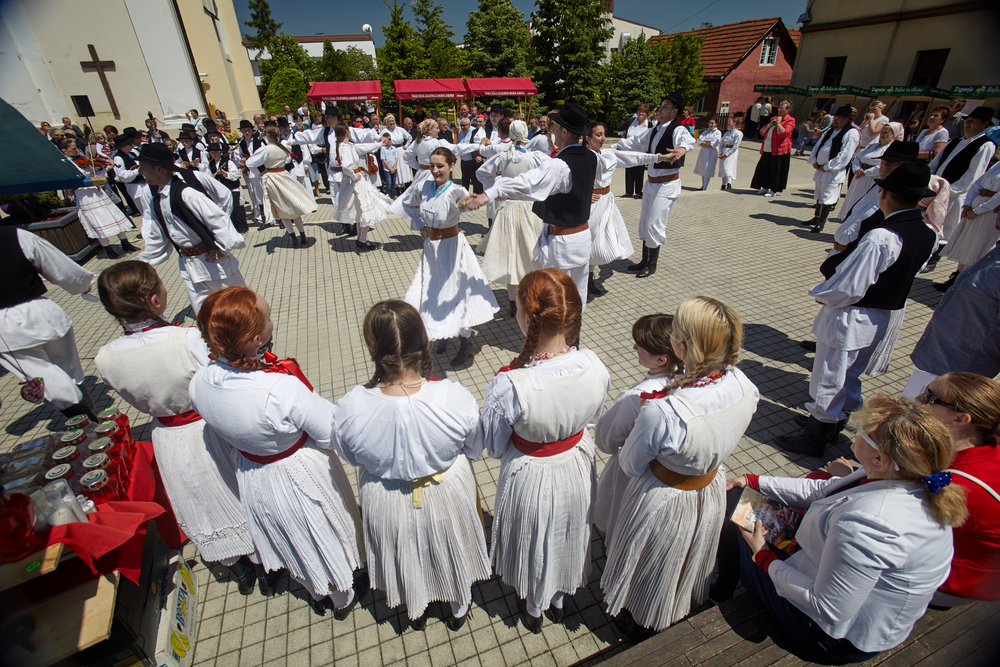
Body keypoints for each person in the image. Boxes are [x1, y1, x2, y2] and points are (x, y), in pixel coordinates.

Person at [719, 394, 966, 662]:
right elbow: (824, 489)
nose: (855, 435)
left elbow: (828, 608)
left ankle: (722, 590)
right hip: (834, 579)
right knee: (741, 495)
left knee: (737, 515)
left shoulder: (869, 525)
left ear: (880, 458)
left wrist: (763, 557)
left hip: (832, 636)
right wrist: (752, 479)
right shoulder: (902, 476)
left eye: (861, 433)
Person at [189, 287, 368, 618]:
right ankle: (343, 596)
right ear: (257, 338)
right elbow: (330, 431)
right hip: (299, 471)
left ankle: (316, 591)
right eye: (268, 318)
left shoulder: (199, 381)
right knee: (323, 529)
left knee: (291, 536)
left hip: (253, 473)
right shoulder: (278, 388)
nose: (273, 321)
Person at [92, 262, 263, 592]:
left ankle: (237, 566)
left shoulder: (104, 357)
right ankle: (264, 560)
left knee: (199, 500)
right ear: (155, 300)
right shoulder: (187, 339)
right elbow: (224, 379)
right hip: (209, 427)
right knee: (238, 489)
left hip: (167, 436)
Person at [600, 296, 758, 636]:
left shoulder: (666, 411)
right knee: (690, 555)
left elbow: (629, 464)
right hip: (710, 486)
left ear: (682, 348)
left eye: (676, 332)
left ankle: (640, 621)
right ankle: (676, 605)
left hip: (666, 498)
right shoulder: (746, 385)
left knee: (652, 561)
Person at [332, 300, 490, 630]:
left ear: (372, 347)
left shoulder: (351, 407)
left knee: (404, 551)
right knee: (449, 545)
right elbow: (475, 447)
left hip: (386, 497)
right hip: (445, 489)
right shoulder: (455, 397)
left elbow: (349, 455)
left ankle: (415, 607)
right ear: (424, 342)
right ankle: (459, 606)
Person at [474, 269, 610, 634]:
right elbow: (593, 419)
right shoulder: (595, 364)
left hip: (530, 468)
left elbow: (494, 444)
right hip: (577, 463)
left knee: (533, 534)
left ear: (524, 316)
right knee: (567, 526)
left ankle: (533, 606)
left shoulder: (510, 384)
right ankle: (559, 600)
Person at [778, 162, 938, 457]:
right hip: (881, 316)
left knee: (830, 375)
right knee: (849, 373)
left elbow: (850, 286)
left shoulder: (882, 236)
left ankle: (816, 436)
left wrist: (822, 296)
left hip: (853, 315)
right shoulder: (927, 232)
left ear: (884, 193)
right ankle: (831, 423)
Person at [466, 103, 601, 302]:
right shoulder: (591, 156)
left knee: (558, 298)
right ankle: (574, 332)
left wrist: (491, 192)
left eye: (555, 128)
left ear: (564, 131)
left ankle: (559, 332)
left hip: (563, 242)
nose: (553, 132)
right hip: (582, 237)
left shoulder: (560, 164)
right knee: (577, 295)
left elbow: (528, 183)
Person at [397, 147, 499, 364]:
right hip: (431, 248)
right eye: (432, 165)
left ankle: (466, 342)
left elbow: (463, 203)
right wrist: (420, 227)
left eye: (440, 166)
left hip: (452, 248)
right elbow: (408, 204)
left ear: (452, 166)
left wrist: (467, 202)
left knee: (456, 293)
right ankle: (442, 333)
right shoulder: (424, 187)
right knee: (433, 292)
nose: (435, 170)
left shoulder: (455, 191)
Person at [594, 314, 682, 546]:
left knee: (624, 521)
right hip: (673, 477)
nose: (633, 346)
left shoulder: (638, 398)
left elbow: (606, 440)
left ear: (661, 359)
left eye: (639, 346)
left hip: (635, 472)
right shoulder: (690, 381)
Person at [913, 374, 1000, 608]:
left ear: (961, 419)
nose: (918, 398)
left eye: (930, 397)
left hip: (952, 581)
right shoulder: (988, 448)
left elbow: (899, 524)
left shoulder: (956, 483)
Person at [134, 143, 246, 315]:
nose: (141, 172)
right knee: (205, 315)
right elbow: (158, 238)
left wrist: (225, 248)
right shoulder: (156, 200)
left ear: (158, 169)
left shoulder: (188, 194)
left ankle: (259, 340)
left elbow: (219, 220)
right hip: (190, 267)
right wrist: (138, 262)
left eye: (144, 168)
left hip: (214, 264)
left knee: (238, 307)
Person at [0, 228, 98, 421]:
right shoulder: (16, 235)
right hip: (42, 314)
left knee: (51, 382)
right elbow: (60, 267)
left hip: (7, 331)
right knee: (67, 370)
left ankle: (90, 424)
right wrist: (82, 285)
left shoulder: (16, 235)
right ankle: (92, 417)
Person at [583, 120, 674, 295]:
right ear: (588, 137)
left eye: (603, 134)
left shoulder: (609, 154)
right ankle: (582, 279)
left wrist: (659, 157)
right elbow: (572, 179)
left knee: (600, 240)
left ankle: (589, 278)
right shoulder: (582, 156)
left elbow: (635, 157)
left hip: (606, 200)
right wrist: (585, 195)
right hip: (590, 203)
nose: (602, 138)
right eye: (598, 135)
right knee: (588, 240)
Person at [613, 93, 696, 279]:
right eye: (661, 106)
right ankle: (644, 260)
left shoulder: (677, 129)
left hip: (667, 185)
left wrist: (681, 150)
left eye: (666, 107)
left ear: (675, 111)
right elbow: (636, 142)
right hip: (651, 184)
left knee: (653, 224)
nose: (661, 109)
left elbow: (688, 141)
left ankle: (652, 264)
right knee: (644, 224)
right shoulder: (655, 129)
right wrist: (613, 148)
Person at [475, 120, 544, 316]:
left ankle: (514, 302)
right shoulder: (534, 157)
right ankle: (529, 299)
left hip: (507, 209)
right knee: (530, 255)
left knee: (510, 256)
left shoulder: (502, 156)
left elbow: (481, 173)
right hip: (530, 208)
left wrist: (498, 188)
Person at [928, 106, 997, 280]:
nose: (968, 124)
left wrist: (948, 191)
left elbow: (973, 175)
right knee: (930, 221)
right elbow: (936, 163)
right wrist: (928, 182)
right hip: (935, 190)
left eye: (973, 121)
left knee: (945, 226)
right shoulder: (955, 141)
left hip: (954, 195)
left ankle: (934, 259)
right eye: (968, 120)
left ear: (985, 123)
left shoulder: (985, 144)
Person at [58, 138, 139, 259]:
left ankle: (125, 242)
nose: (77, 150)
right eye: (73, 148)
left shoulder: (81, 159)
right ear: (64, 151)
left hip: (97, 191)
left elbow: (97, 176)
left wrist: (104, 168)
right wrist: (92, 167)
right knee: (97, 221)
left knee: (113, 215)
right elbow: (81, 176)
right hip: (85, 195)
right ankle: (108, 250)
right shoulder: (65, 164)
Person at [244, 126, 317, 249]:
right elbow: (288, 160)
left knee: (282, 209)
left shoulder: (266, 149)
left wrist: (260, 173)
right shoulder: (283, 147)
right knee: (293, 207)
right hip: (284, 175)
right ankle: (302, 235)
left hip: (273, 178)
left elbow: (249, 163)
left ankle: (293, 237)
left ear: (267, 135)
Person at [328, 123, 392, 250]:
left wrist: (380, 144)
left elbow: (364, 147)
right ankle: (362, 240)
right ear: (347, 132)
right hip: (355, 182)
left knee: (360, 210)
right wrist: (353, 175)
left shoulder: (347, 145)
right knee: (365, 210)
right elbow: (346, 166)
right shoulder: (344, 147)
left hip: (355, 182)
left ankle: (360, 239)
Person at [939, 161, 1000, 289]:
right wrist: (967, 204)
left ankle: (968, 280)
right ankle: (959, 275)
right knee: (967, 243)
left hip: (989, 212)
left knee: (978, 245)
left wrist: (978, 211)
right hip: (976, 206)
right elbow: (976, 185)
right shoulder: (997, 165)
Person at [806, 105, 862, 233]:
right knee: (819, 194)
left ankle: (821, 222)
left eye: (838, 118)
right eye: (835, 117)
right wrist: (814, 160)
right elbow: (819, 145)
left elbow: (845, 155)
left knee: (827, 196)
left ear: (847, 119)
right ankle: (816, 217)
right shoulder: (831, 130)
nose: (835, 120)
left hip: (833, 172)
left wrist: (827, 166)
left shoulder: (851, 132)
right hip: (820, 169)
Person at [839, 122, 904, 222]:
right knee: (852, 202)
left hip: (873, 180)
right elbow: (857, 158)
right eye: (881, 132)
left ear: (894, 134)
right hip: (859, 179)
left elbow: (884, 166)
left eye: (885, 132)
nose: (882, 134)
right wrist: (857, 169)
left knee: (864, 205)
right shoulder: (872, 146)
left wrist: (866, 172)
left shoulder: (891, 149)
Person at [750, 101, 798, 198]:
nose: (779, 110)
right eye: (779, 108)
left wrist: (779, 124)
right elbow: (762, 131)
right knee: (765, 168)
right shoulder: (773, 119)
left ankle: (773, 189)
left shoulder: (790, 120)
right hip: (767, 149)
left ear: (787, 110)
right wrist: (770, 125)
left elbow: (783, 134)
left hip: (779, 151)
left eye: (782, 108)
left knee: (775, 171)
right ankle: (765, 187)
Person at [201, 143, 249, 234]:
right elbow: (207, 176)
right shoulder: (210, 164)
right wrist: (212, 176)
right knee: (226, 210)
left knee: (236, 209)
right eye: (211, 153)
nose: (214, 155)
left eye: (215, 152)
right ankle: (233, 228)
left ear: (220, 152)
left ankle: (243, 227)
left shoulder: (228, 162)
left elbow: (236, 175)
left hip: (232, 189)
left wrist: (225, 173)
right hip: (221, 191)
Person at [234, 119, 272, 229]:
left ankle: (276, 218)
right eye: (244, 130)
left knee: (267, 193)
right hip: (251, 173)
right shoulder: (241, 144)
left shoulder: (258, 141)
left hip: (261, 171)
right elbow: (238, 157)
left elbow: (265, 155)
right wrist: (241, 160)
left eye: (248, 130)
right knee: (257, 195)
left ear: (252, 130)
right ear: (241, 131)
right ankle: (264, 218)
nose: (247, 132)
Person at [617, 104, 655, 198]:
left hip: (640, 151)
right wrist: (625, 139)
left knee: (639, 171)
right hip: (629, 150)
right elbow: (620, 128)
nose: (641, 114)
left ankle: (639, 192)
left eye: (643, 112)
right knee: (629, 170)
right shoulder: (631, 121)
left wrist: (648, 148)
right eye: (639, 111)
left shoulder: (649, 124)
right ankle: (628, 192)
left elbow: (652, 136)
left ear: (646, 114)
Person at [457, 115, 485, 194]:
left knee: (475, 180)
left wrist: (476, 156)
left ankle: (476, 196)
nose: (462, 127)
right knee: (464, 180)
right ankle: (464, 196)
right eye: (461, 125)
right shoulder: (460, 132)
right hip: (463, 160)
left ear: (469, 124)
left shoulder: (474, 131)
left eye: (464, 125)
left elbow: (473, 146)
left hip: (472, 160)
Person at [693, 117, 721, 191]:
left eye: (712, 123)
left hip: (712, 152)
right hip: (704, 152)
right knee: (703, 168)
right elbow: (699, 141)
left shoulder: (717, 133)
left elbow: (713, 144)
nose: (711, 124)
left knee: (708, 168)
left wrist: (705, 143)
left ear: (716, 124)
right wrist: (706, 143)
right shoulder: (705, 132)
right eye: (710, 123)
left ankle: (705, 187)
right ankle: (703, 185)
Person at [718, 117, 743, 190]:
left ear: (734, 123)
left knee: (728, 167)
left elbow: (735, 146)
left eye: (730, 122)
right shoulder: (726, 133)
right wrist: (721, 152)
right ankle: (723, 184)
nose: (728, 123)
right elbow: (722, 143)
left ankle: (729, 184)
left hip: (732, 152)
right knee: (722, 167)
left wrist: (726, 154)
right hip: (725, 150)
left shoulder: (738, 133)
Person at [378, 131, 399, 199]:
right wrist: (390, 168)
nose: (389, 141)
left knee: (393, 183)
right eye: (387, 140)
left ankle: (393, 195)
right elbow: (383, 159)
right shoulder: (383, 149)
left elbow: (396, 158)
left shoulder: (393, 148)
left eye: (389, 139)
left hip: (394, 168)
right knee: (388, 183)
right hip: (387, 169)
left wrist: (394, 167)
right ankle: (388, 195)